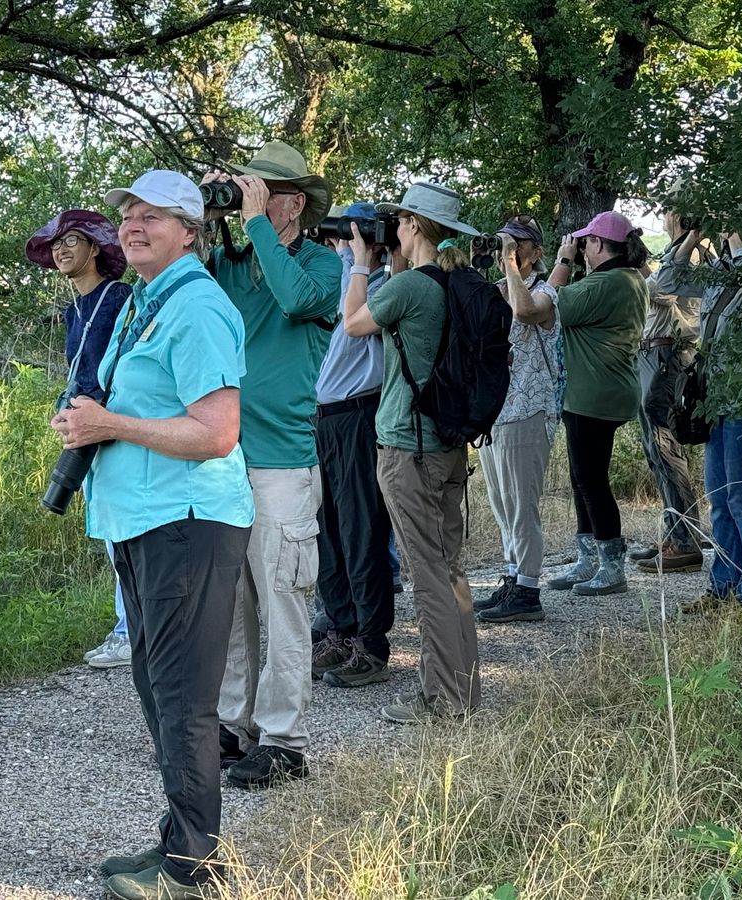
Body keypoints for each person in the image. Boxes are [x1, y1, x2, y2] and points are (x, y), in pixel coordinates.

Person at [49, 170, 253, 900]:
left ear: (191, 231)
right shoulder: (147, 301)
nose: (132, 223)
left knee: (184, 701)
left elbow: (216, 432)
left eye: (153, 215)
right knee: (156, 689)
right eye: (127, 212)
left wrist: (110, 424)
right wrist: (86, 424)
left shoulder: (196, 307)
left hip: (188, 523)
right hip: (145, 521)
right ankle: (177, 844)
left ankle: (194, 871)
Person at [202, 141, 341, 789]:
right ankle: (234, 725)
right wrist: (208, 216)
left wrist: (255, 226)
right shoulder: (231, 265)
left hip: (285, 461)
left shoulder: (322, 264)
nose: (251, 199)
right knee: (231, 604)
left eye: (262, 191)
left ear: (291, 203)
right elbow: (191, 302)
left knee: (284, 600)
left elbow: (294, 301)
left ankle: (286, 739)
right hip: (225, 458)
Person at [342, 180, 481, 723]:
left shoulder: (411, 289)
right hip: (446, 445)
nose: (393, 230)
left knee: (426, 576)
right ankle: (464, 689)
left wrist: (359, 263)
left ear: (415, 226)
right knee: (449, 570)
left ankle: (442, 699)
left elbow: (355, 324)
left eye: (399, 222)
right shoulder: (451, 283)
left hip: (406, 445)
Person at [25, 210, 133, 668]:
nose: (62, 250)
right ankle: (128, 625)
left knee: (125, 532)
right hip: (86, 429)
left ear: (96, 249)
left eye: (72, 241)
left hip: (117, 427)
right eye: (56, 244)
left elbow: (121, 369)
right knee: (110, 532)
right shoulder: (75, 310)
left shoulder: (119, 298)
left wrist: (97, 413)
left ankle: (131, 630)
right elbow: (80, 372)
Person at [661, 231, 742, 612]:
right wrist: (690, 238)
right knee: (721, 501)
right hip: (716, 402)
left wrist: (740, 233)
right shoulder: (719, 270)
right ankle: (722, 589)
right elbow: (667, 282)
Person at [310, 201, 396, 687]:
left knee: (362, 530)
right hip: (329, 419)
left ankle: (372, 641)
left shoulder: (383, 288)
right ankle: (341, 629)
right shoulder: (353, 279)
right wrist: (347, 253)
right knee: (329, 531)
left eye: (353, 231)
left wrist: (360, 256)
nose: (342, 239)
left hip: (361, 415)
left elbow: (352, 318)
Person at [545, 211, 648, 596]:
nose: (582, 247)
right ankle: (590, 559)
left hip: (594, 394)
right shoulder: (629, 278)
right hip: (605, 389)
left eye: (586, 242)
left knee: (591, 480)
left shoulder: (607, 282)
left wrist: (563, 260)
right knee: (583, 477)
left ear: (600, 245)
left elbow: (554, 304)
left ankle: (609, 565)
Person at [474, 216, 563, 623]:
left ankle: (528, 588)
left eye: (517, 244)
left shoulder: (544, 293)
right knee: (502, 504)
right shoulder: (495, 291)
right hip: (497, 412)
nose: (507, 250)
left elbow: (526, 313)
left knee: (522, 505)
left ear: (535, 252)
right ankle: (512, 578)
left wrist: (510, 265)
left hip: (529, 409)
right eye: (504, 244)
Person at [627, 209, 709, 573]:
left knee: (664, 444)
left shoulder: (692, 249)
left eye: (667, 206)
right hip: (657, 351)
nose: (663, 214)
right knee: (656, 448)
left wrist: (642, 271)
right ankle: (675, 531)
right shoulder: (680, 248)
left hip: (669, 351)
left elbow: (662, 290)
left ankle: (684, 540)